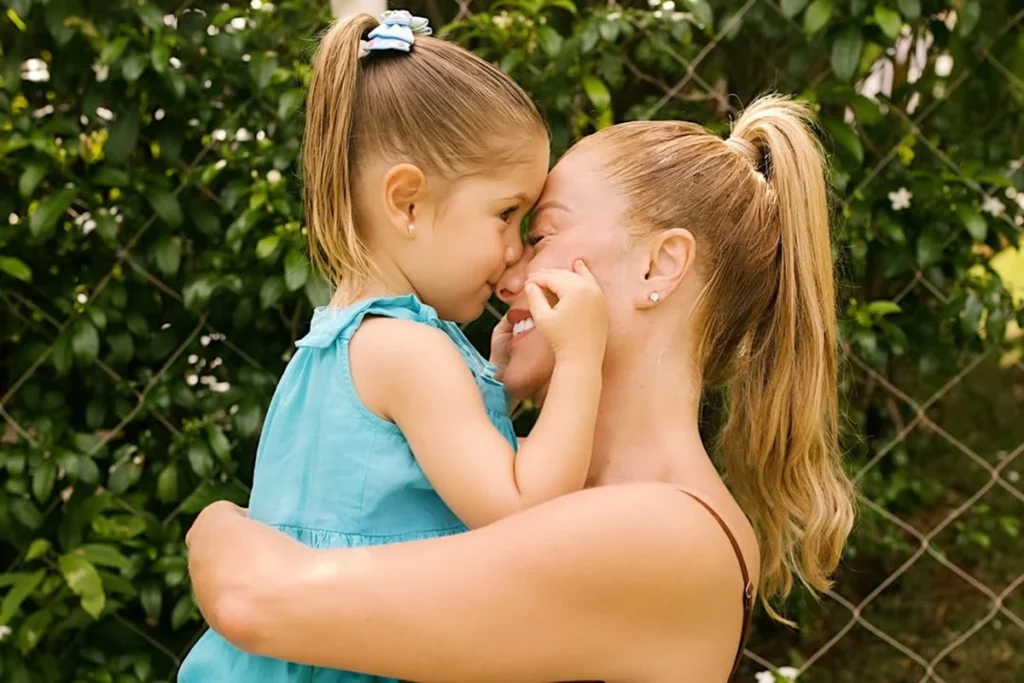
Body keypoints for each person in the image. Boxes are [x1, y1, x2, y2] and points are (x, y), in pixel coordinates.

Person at [184, 94, 856, 682]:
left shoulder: (666, 533)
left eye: (540, 234)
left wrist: (218, 524)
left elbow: (254, 599)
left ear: (659, 265)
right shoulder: (559, 487)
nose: (507, 275)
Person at [177, 10, 610, 683]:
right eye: (505, 214)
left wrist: (496, 385)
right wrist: (582, 357)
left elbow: (398, 475)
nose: (515, 250)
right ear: (406, 202)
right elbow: (524, 511)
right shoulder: (410, 351)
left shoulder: (342, 337)